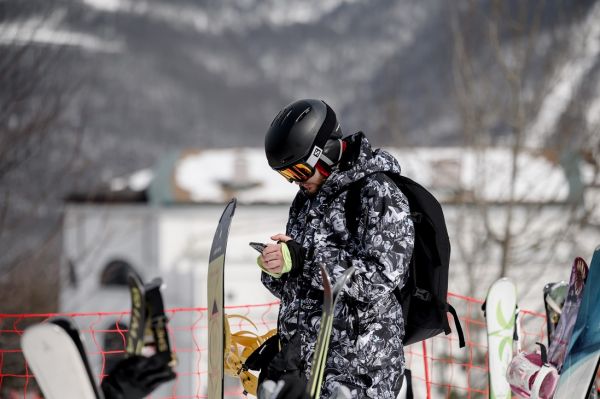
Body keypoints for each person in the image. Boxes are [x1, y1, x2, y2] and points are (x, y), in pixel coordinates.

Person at [257, 99, 415, 398]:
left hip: (359, 370)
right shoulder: (308, 199)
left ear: (326, 152)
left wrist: (304, 261)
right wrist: (279, 268)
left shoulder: (377, 191)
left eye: (300, 171)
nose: (297, 183)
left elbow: (380, 278)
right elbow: (307, 287)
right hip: (309, 369)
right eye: (287, 176)